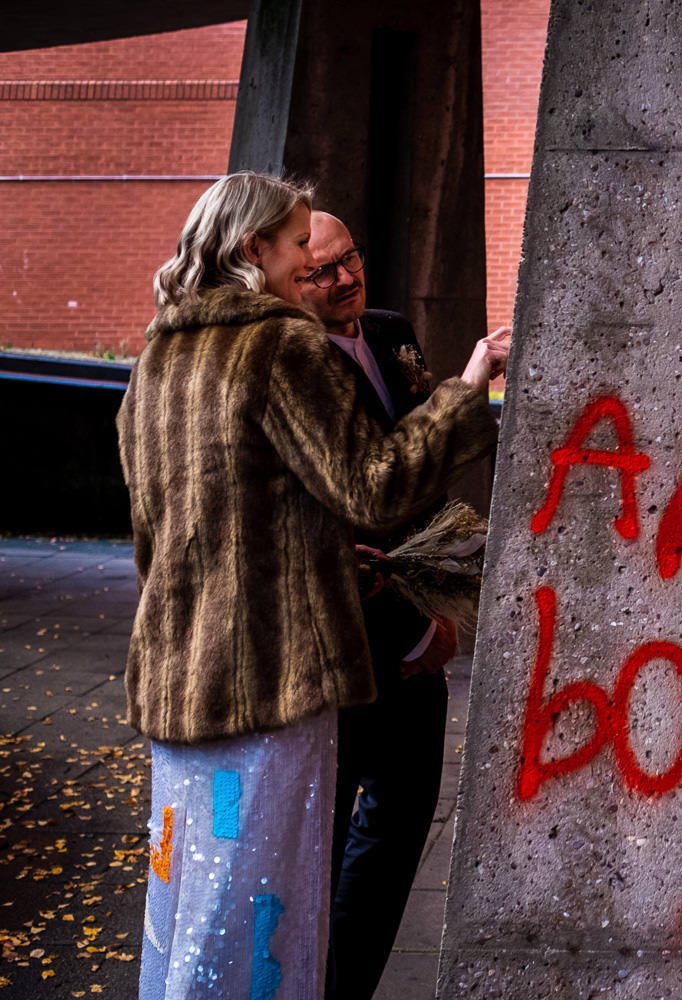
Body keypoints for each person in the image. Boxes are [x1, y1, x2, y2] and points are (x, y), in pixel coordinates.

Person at [118, 172, 506, 1000]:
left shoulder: (159, 355)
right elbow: (370, 486)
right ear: (254, 249)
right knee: (270, 910)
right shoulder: (280, 344)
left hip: (180, 682)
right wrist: (464, 397)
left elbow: (160, 531)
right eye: (299, 245)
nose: (311, 265)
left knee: (195, 906)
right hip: (272, 681)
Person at [296, 210, 505, 1000]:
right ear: (287, 277)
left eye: (350, 257)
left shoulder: (388, 330)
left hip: (421, 616)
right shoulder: (295, 364)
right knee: (324, 836)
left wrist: (470, 377)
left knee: (400, 821)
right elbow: (353, 507)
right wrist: (417, 626)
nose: (345, 277)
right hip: (344, 639)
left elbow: (426, 452)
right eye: (321, 270)